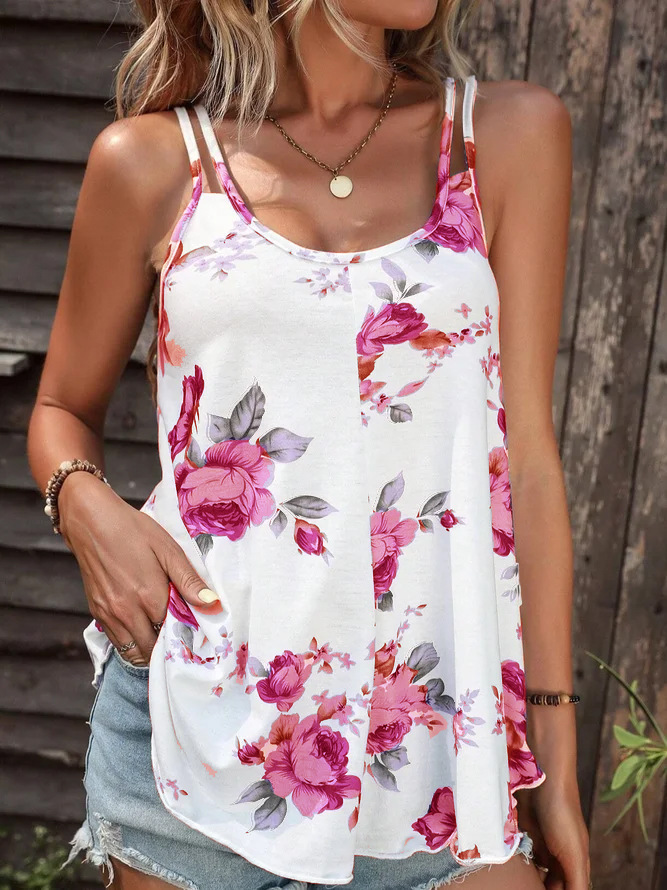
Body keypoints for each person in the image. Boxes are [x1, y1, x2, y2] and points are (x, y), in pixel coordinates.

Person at [27, 1, 590, 888]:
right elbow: (61, 405)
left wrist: (551, 740)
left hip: (439, 753)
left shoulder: (505, 136)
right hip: (198, 732)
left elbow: (524, 458)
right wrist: (83, 502)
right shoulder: (153, 161)